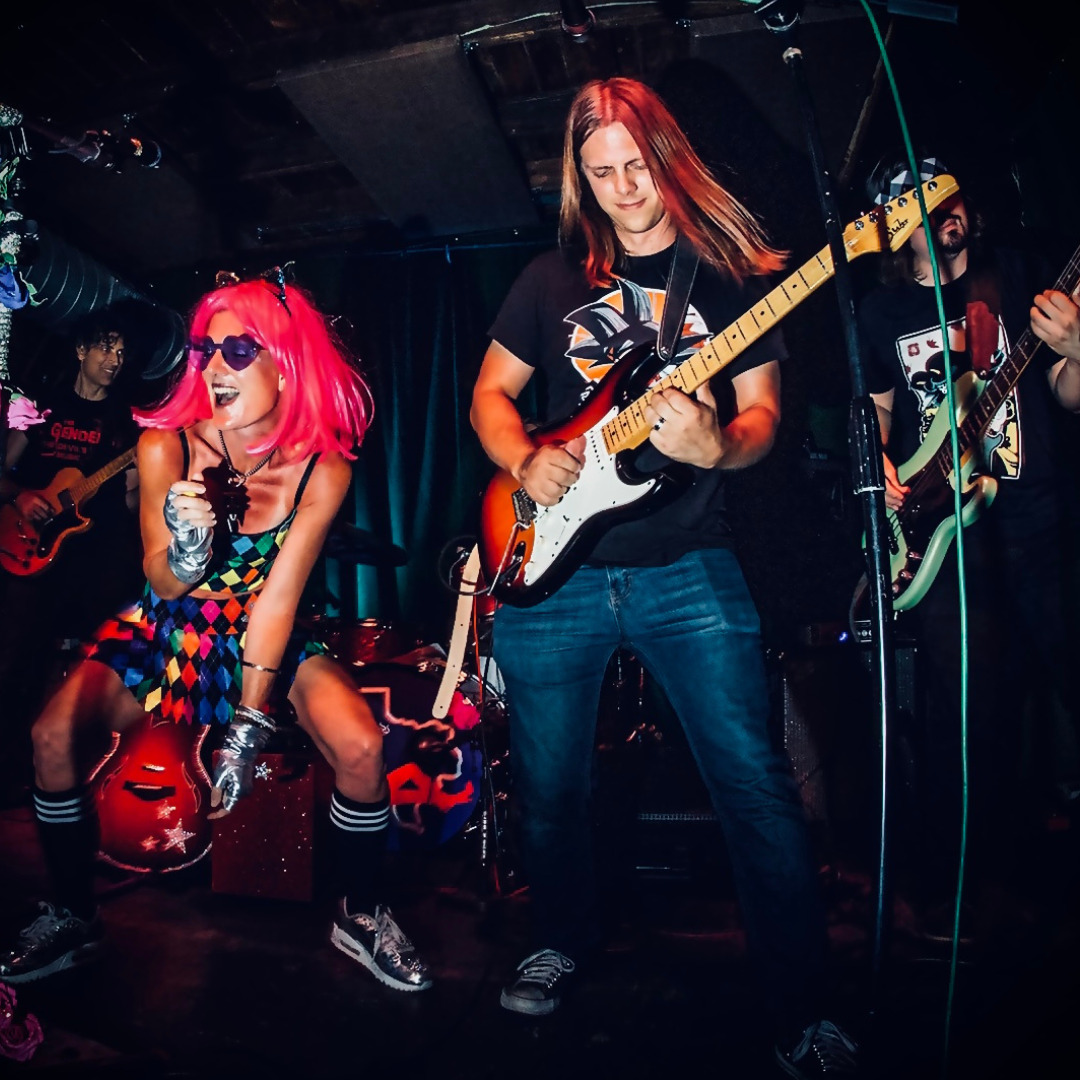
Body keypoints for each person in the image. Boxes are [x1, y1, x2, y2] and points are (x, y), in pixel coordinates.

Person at [470, 77, 859, 1078]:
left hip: (690, 565)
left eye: (635, 166)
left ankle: (801, 1005)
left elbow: (762, 418)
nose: (622, 189)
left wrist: (716, 443)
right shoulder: (548, 279)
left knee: (754, 785)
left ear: (668, 158)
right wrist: (523, 458)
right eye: (600, 173)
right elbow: (489, 396)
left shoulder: (729, 280)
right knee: (549, 788)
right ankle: (561, 939)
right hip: (550, 570)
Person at [0, 272, 431, 992]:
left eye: (238, 349)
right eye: (204, 349)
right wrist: (188, 551)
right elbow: (162, 581)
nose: (212, 367)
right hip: (168, 623)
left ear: (286, 363)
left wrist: (249, 724)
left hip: (258, 629)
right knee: (51, 738)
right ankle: (74, 917)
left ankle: (360, 914)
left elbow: (277, 602)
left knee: (360, 746)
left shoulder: (322, 469)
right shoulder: (165, 444)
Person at [857, 152, 1080, 938]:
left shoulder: (1016, 274)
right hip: (944, 539)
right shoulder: (880, 312)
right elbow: (879, 412)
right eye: (922, 200)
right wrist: (879, 465)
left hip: (1040, 524)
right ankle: (966, 891)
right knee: (969, 725)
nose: (943, 208)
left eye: (949, 193)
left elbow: (1064, 393)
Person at [0, 310, 142, 801]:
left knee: (92, 663)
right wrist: (20, 498)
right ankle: (9, 773)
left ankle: (82, 775)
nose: (114, 359)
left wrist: (147, 484)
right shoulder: (42, 406)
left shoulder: (127, 423)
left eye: (121, 352)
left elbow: (130, 501)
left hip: (93, 558)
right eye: (105, 347)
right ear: (81, 350)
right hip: (29, 549)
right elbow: (2, 472)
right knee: (16, 658)